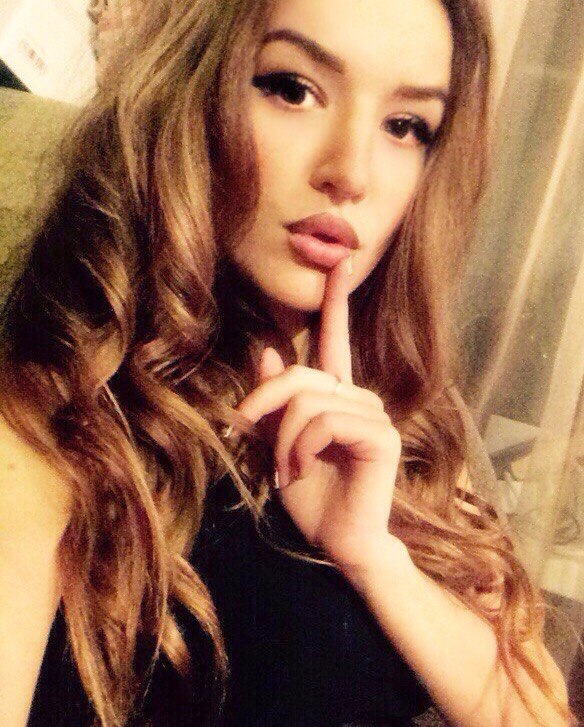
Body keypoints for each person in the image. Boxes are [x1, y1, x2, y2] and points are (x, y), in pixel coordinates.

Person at [0, 0, 575, 725]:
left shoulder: (404, 414)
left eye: (405, 126)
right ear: (192, 95)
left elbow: (539, 711)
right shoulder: (51, 421)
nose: (351, 172)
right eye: (293, 89)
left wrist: (374, 556)